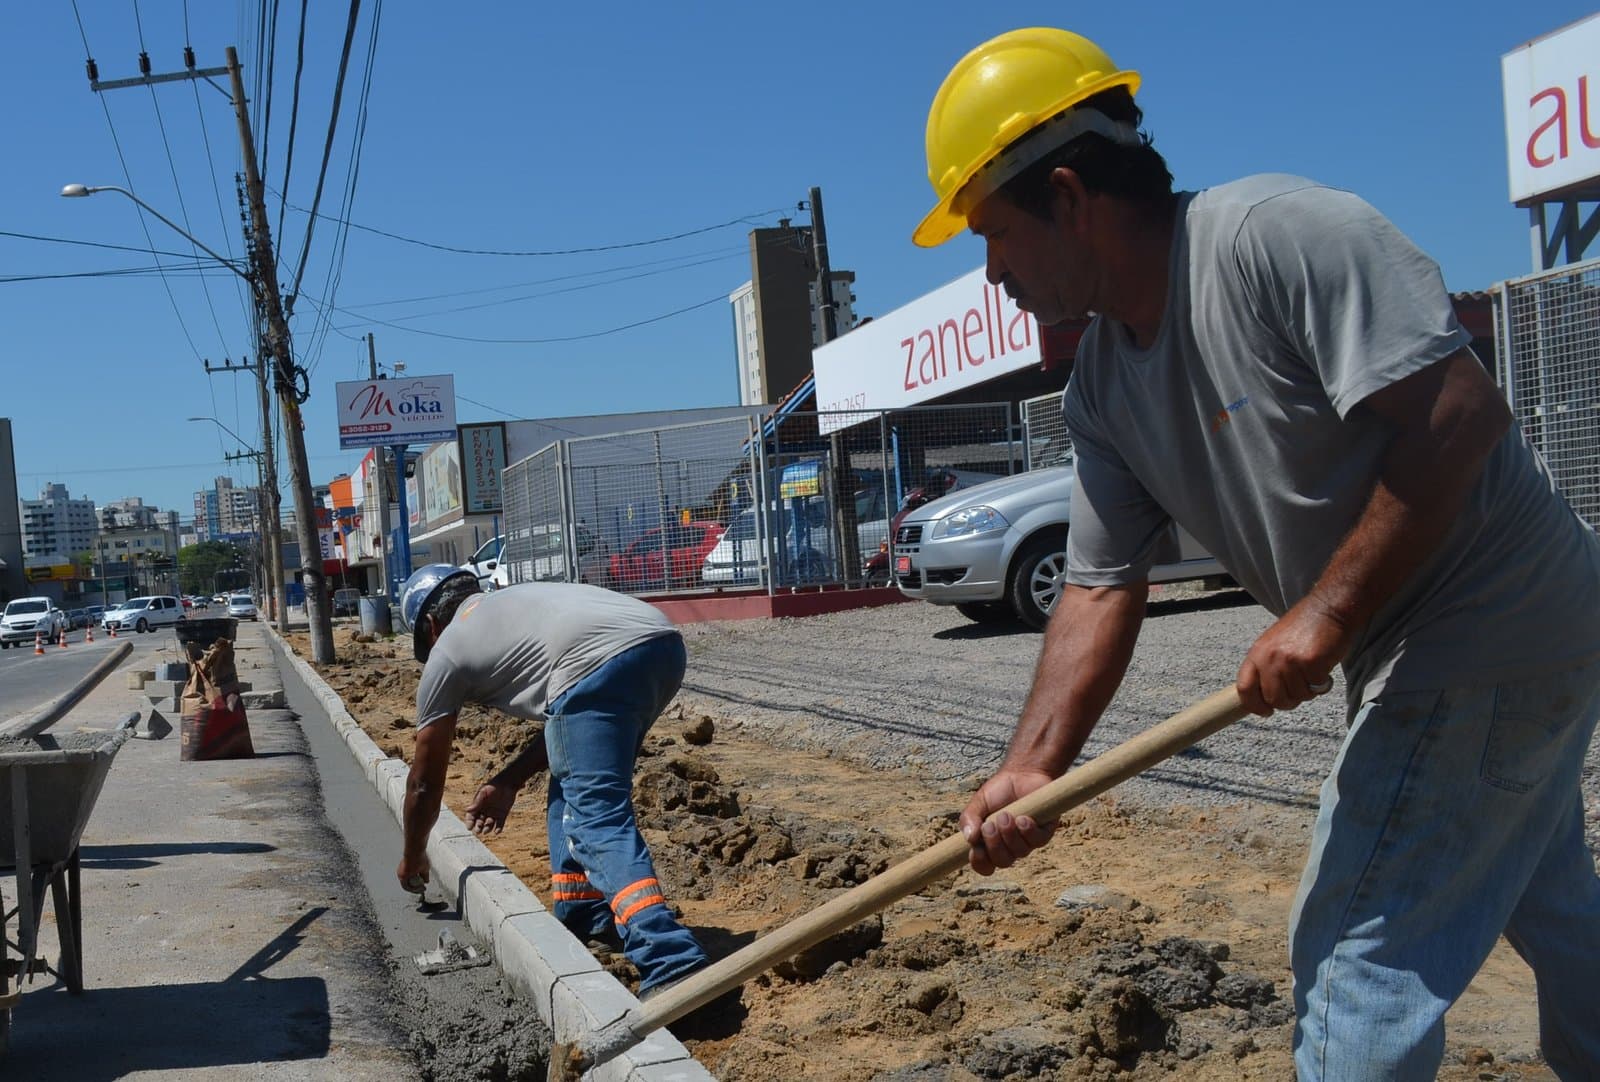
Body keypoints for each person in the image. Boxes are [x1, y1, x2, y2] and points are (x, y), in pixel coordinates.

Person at [914, 27, 1600, 1081]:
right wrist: (1029, 769)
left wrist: (1321, 612)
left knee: (1351, 953)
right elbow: (1097, 586)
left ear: (1067, 196)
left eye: (993, 235)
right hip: (1476, 643)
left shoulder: (1276, 237)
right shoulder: (1100, 383)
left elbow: (1459, 413)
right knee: (1555, 912)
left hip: (1485, 618)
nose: (992, 272)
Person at [393, 564, 709, 996]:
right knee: (573, 786)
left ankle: (671, 959)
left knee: (596, 820)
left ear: (430, 626)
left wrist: (413, 856)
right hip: (659, 646)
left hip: (593, 666)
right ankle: (585, 913)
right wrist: (509, 780)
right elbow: (571, 725)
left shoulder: (446, 651)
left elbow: (424, 784)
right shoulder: (512, 604)